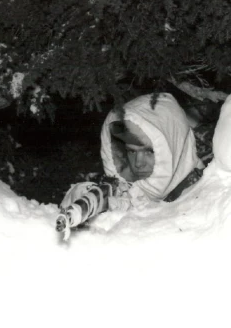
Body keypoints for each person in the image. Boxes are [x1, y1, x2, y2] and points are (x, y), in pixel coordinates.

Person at [57, 93, 204, 235]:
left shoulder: (200, 196)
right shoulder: (129, 189)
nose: (138, 163)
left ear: (173, 147)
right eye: (131, 152)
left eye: (149, 152)